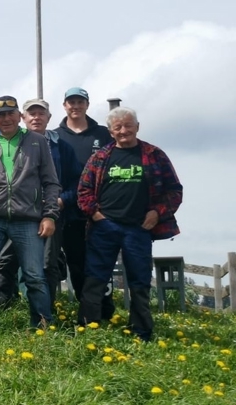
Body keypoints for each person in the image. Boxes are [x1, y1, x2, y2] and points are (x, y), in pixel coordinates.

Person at [77, 107, 182, 340]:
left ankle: (142, 331)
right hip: (104, 227)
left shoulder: (155, 155)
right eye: (118, 127)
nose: (123, 131)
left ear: (137, 127)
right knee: (94, 279)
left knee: (140, 281)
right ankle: (87, 329)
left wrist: (157, 212)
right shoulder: (100, 157)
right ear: (111, 132)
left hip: (139, 228)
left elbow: (174, 190)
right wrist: (94, 214)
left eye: (128, 125)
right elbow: (83, 190)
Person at [0, 96, 60, 330]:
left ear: (19, 116)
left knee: (34, 275)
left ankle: (41, 325)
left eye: (10, 114)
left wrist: (49, 215)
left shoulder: (37, 142)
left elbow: (51, 182)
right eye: (0, 115)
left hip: (28, 219)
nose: (5, 119)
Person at [56, 87, 114, 312]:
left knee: (102, 261)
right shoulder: (55, 135)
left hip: (100, 211)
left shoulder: (103, 134)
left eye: (80, 101)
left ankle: (105, 309)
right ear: (64, 105)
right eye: (71, 102)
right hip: (70, 211)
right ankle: (87, 309)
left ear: (87, 105)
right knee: (76, 263)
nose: (75, 106)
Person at [19, 99, 82, 304]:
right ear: (23, 118)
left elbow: (77, 184)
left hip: (52, 215)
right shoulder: (12, 143)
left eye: (41, 114)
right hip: (19, 214)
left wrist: (61, 201)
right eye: (32, 114)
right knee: (8, 263)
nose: (36, 118)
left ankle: (46, 311)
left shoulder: (62, 147)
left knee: (47, 263)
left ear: (49, 118)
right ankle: (13, 310)